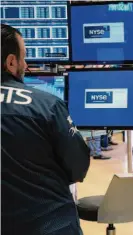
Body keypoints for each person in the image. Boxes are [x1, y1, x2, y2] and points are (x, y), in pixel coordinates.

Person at [1, 24, 90, 235]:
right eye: (23, 57)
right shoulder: (47, 105)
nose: (26, 64)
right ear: (11, 62)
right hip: (49, 222)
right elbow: (78, 167)